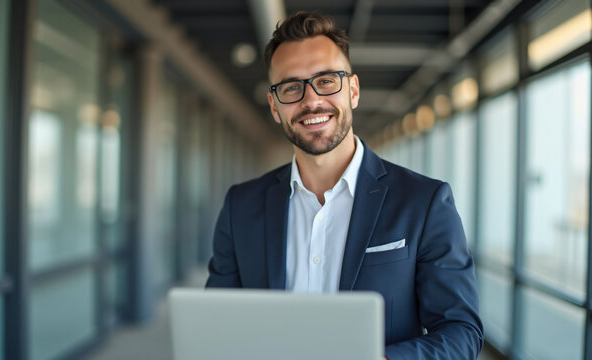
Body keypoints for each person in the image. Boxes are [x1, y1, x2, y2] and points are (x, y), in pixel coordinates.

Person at [206, 11, 483, 359]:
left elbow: (462, 333)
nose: (311, 101)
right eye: (291, 87)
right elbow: (215, 325)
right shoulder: (240, 207)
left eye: (325, 80)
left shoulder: (424, 202)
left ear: (352, 90)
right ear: (275, 107)